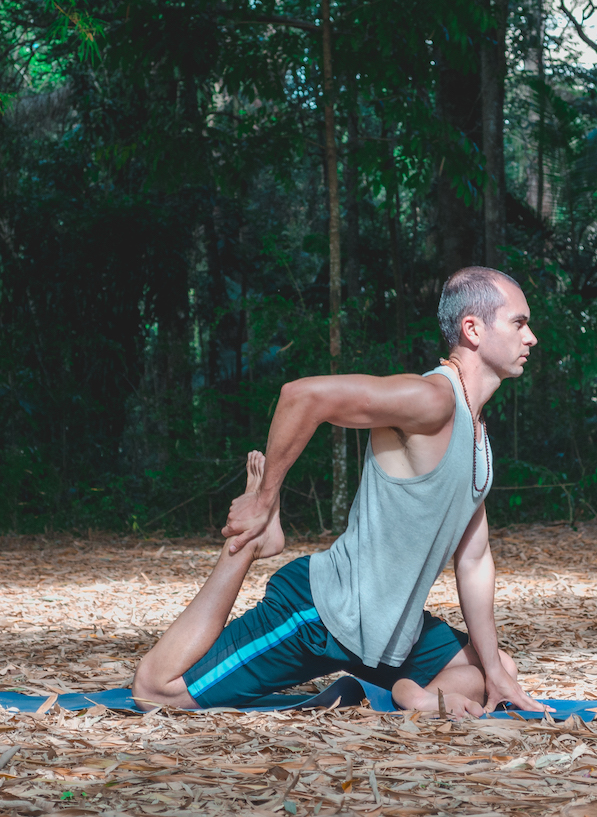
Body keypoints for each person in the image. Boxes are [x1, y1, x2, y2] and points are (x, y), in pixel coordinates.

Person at [132, 266, 549, 718]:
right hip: (323, 615)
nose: (531, 338)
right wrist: (263, 499)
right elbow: (302, 396)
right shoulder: (433, 399)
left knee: (496, 667)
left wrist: (495, 669)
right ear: (473, 328)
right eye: (519, 323)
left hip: (392, 638)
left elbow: (473, 560)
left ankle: (415, 692)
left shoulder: (479, 439)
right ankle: (254, 541)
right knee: (156, 691)